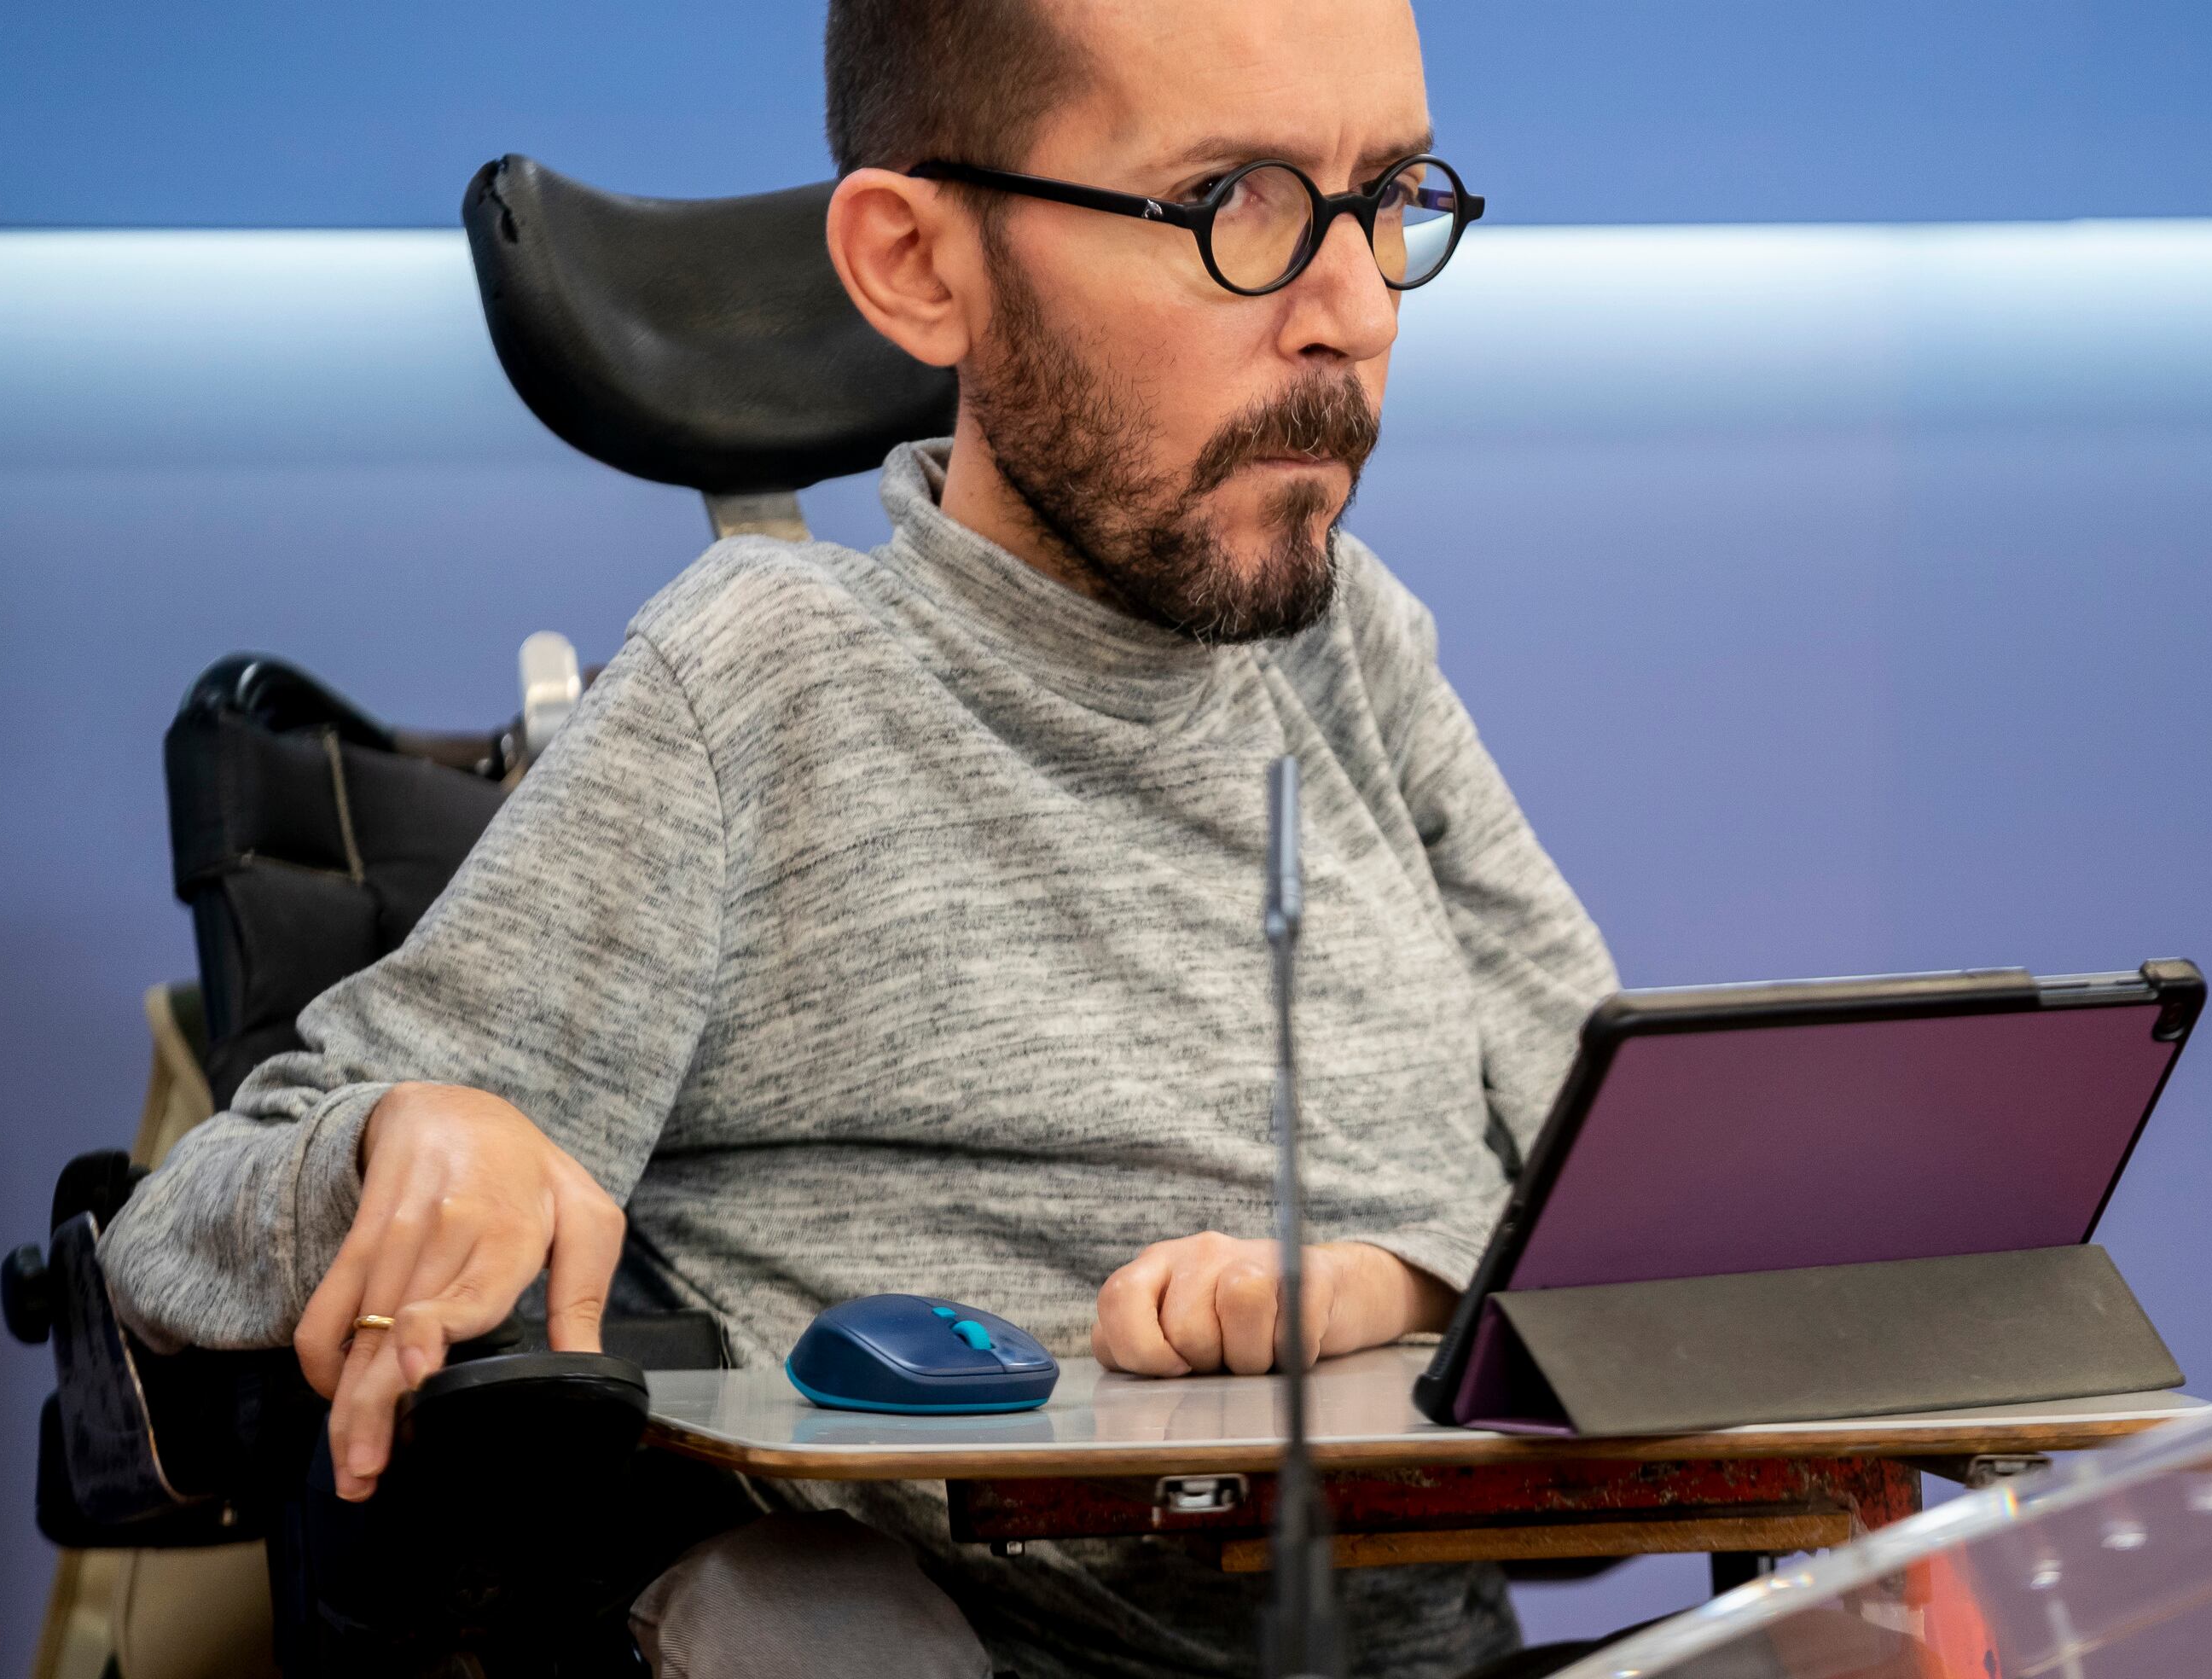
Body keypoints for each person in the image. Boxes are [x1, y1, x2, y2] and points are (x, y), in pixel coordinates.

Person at [101, 1, 1619, 1674]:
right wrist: (401, 1139)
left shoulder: (1350, 653)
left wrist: (1391, 1289)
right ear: (916, 265)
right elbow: (178, 1236)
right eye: (1231, 205)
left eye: (1388, 198)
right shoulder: (769, 684)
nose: (1354, 312)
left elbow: (1643, 1215)